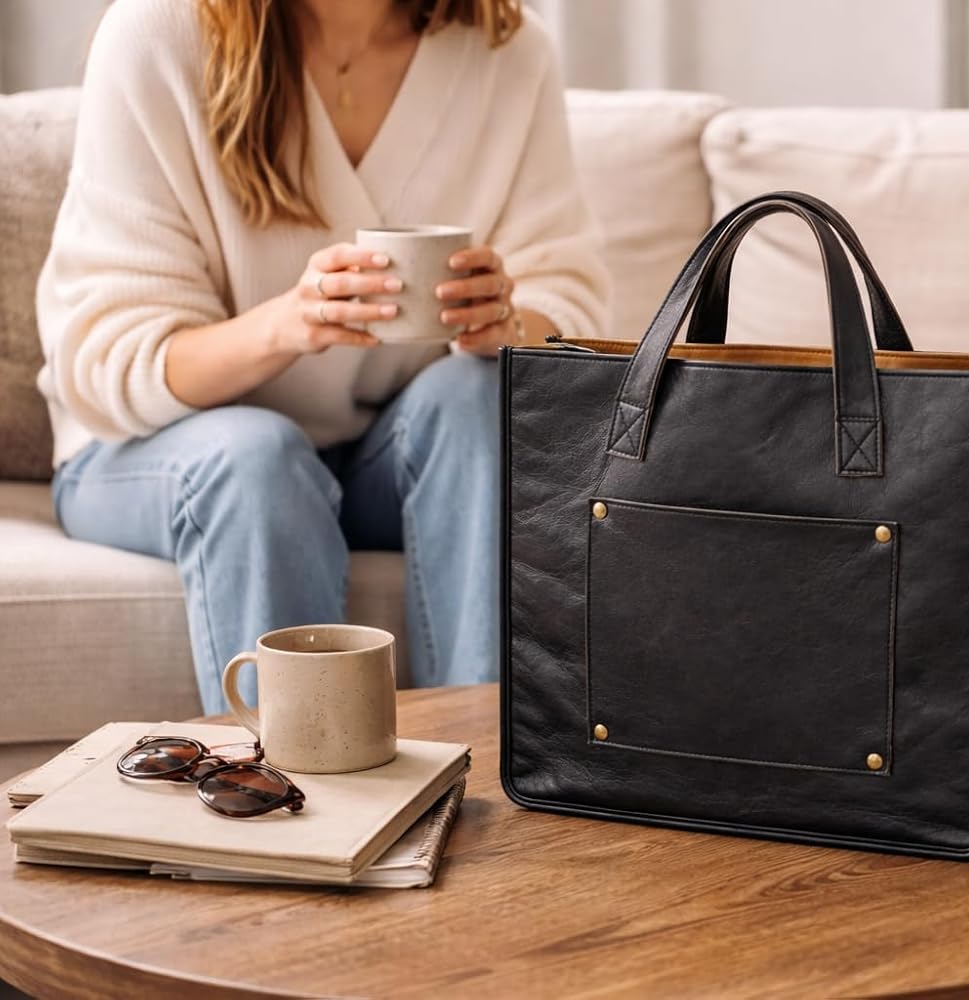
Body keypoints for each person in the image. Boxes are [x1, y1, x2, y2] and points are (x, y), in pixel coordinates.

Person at [36, 0, 609, 713]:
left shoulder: (508, 50)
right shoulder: (159, 33)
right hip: (153, 444)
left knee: (477, 401)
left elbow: (571, 305)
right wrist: (286, 326)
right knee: (257, 459)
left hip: (373, 455)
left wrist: (506, 320)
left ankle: (484, 757)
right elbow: (111, 361)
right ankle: (290, 777)